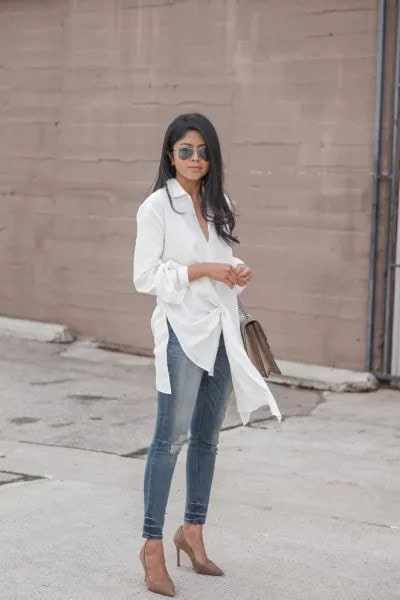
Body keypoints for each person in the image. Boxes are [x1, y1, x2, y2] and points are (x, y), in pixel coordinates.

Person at [133, 113, 281, 597]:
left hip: (222, 331)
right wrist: (199, 270)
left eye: (202, 151)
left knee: (207, 440)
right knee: (168, 440)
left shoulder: (221, 204)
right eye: (185, 151)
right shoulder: (156, 207)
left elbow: (225, 259)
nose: (195, 159)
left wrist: (238, 271)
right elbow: (145, 278)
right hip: (181, 332)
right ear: (170, 155)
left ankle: (191, 530)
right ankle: (152, 544)